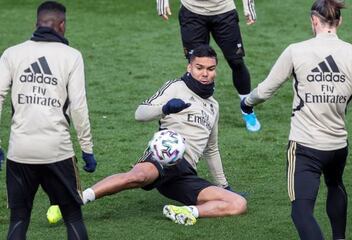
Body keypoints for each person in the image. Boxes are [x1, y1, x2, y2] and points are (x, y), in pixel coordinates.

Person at [74, 45, 246, 226]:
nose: (205, 74)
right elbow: (140, 113)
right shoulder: (176, 87)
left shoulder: (214, 106)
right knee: (136, 177)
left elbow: (211, 149)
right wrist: (165, 109)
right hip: (163, 157)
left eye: (210, 69)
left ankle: (186, 211)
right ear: (189, 67)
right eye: (199, 68)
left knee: (238, 203)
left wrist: (224, 186)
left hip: (186, 173)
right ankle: (78, 199)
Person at [241, 0, 352, 239]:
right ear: (339, 21)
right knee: (335, 185)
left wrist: (247, 102)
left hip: (305, 148)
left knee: (301, 212)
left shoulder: (296, 50)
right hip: (338, 146)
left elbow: (265, 91)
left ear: (314, 20)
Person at [0, 1, 97, 239]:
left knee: (19, 220)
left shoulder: (12, 53)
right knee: (73, 216)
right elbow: (79, 106)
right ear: (62, 25)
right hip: (58, 152)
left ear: (37, 23)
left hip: (19, 151)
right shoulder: (72, 56)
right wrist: (87, 149)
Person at [156, 0, 261, 132]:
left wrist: (248, 5)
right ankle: (198, 112)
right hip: (191, 11)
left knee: (236, 62)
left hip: (224, 11)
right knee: (197, 65)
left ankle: (247, 108)